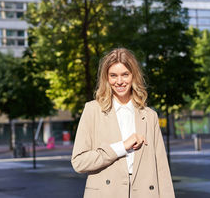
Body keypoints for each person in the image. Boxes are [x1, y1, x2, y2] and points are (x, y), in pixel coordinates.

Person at [71, 48, 175, 198]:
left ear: (133, 76)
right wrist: (122, 147)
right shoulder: (93, 110)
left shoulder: (149, 116)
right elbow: (79, 162)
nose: (119, 81)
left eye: (125, 74)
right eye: (113, 75)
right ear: (106, 78)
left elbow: (162, 169)